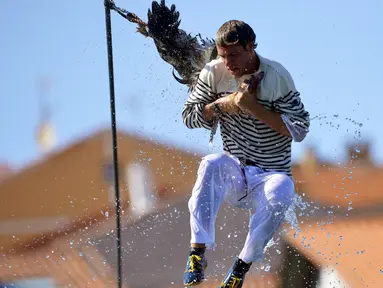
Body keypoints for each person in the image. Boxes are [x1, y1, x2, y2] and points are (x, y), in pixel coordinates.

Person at [181, 19, 310, 287]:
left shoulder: (277, 77)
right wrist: (225, 104)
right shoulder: (214, 72)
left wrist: (251, 106)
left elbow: (300, 129)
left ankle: (240, 268)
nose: (228, 63)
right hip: (235, 172)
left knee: (284, 187)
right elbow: (189, 117)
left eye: (234, 55)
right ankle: (197, 252)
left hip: (270, 176)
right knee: (211, 162)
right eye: (223, 56)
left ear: (250, 47)